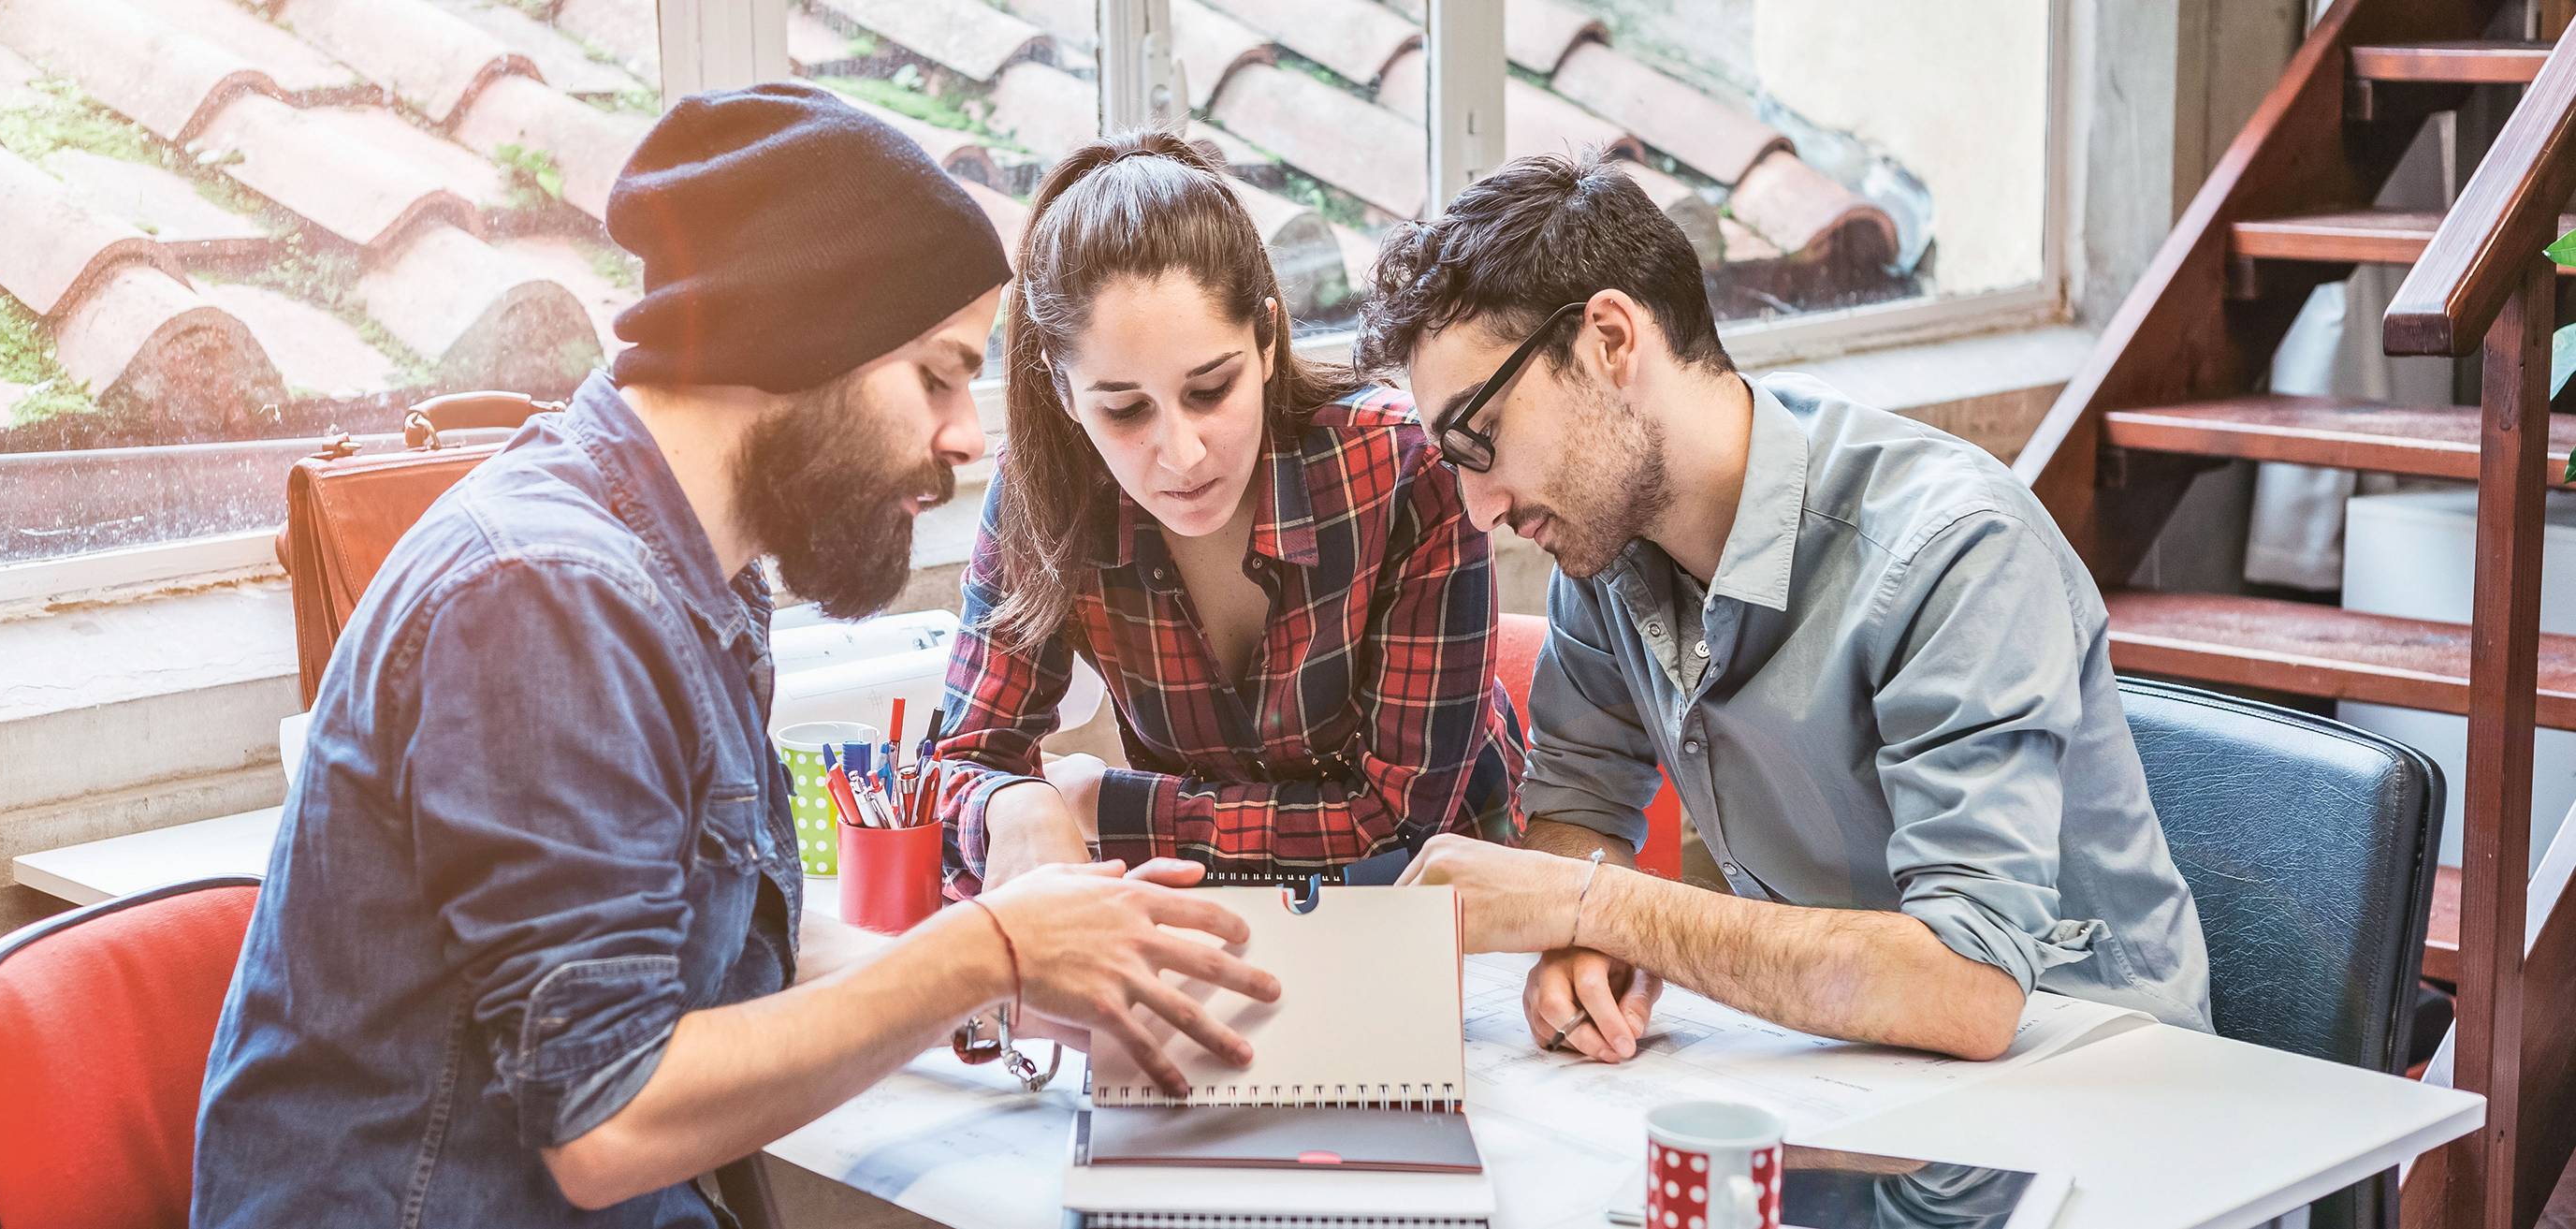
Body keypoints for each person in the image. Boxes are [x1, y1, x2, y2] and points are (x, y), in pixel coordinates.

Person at [190, 86, 1279, 1228]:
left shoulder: (694, 575)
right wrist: (990, 947)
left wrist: (1033, 989)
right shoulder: (544, 594)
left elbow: (739, 945)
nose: (966, 433)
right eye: (937, 373)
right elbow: (607, 1120)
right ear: (799, 341)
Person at [1362, 153, 2212, 1063]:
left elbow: (1968, 985)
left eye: (1481, 436)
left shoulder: (1954, 549)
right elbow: (1581, 805)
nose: (1479, 509)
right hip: (1855, 1065)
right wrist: (1583, 945)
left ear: (1610, 340)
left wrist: (1595, 907)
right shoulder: (1604, 550)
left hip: (2099, 1070)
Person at [930, 132, 1525, 896]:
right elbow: (961, 765)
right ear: (1064, 391)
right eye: (1124, 409)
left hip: (1448, 913)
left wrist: (1102, 801)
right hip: (1215, 916)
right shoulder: (1041, 493)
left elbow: (1396, 821)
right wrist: (1012, 803)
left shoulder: (1410, 471)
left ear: (1267, 339)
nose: (1181, 454)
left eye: (1210, 390)